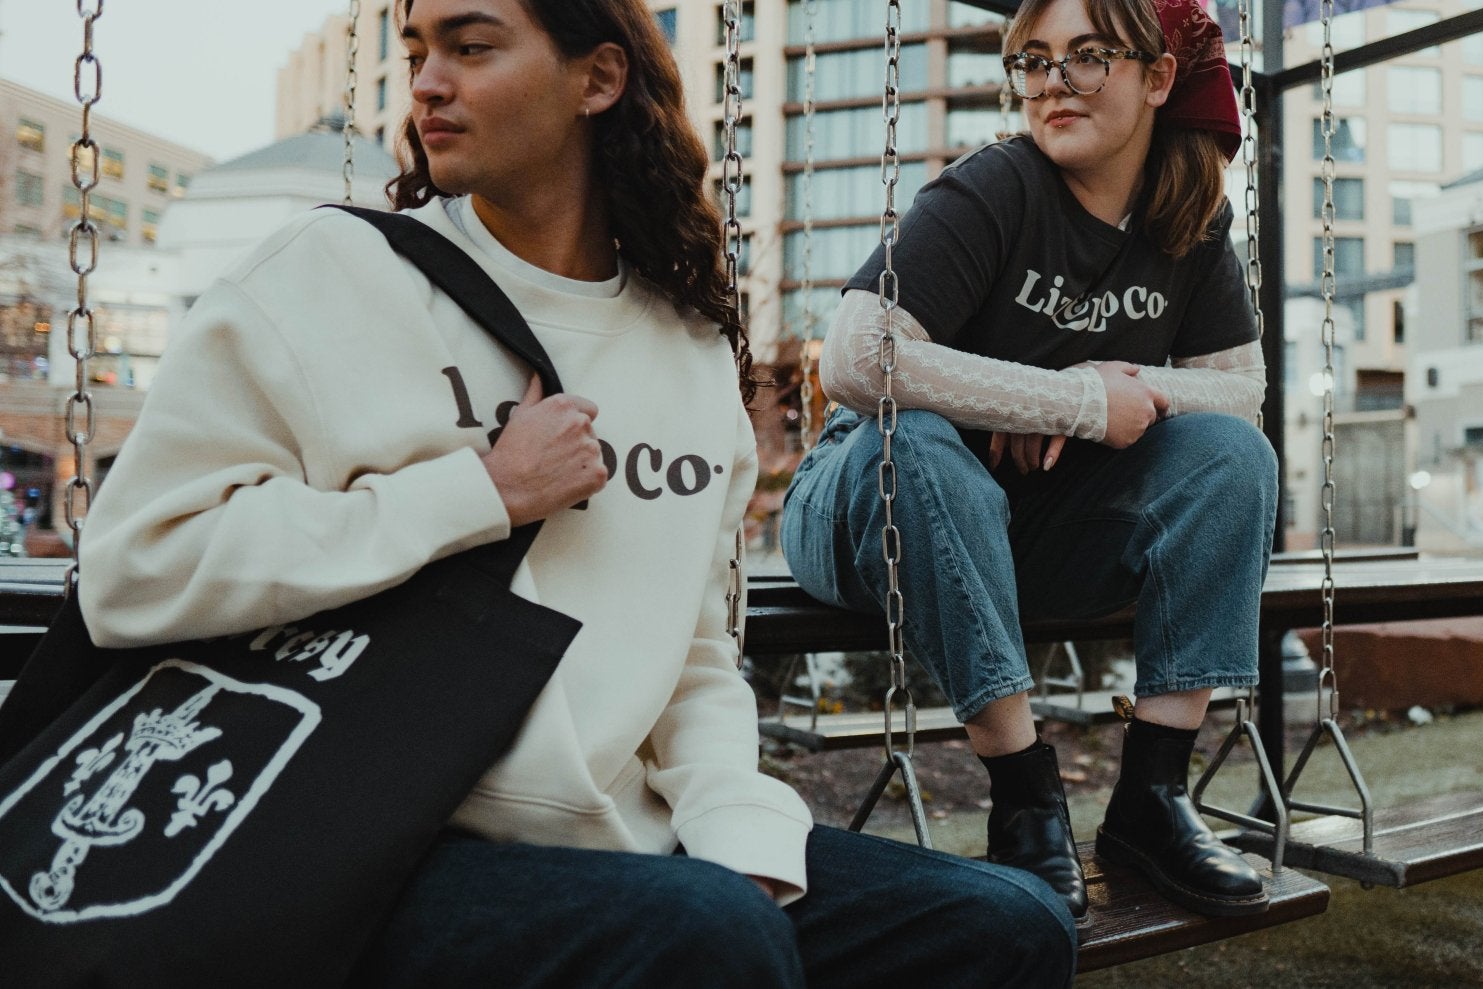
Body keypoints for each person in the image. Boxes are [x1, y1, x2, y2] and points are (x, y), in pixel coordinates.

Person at [75, 0, 1074, 985]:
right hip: (370, 843)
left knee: (1008, 925)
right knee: (709, 936)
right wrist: (480, 490)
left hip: (623, 841)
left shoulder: (686, 350)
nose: (427, 83)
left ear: (597, 78)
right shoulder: (332, 273)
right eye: (418, 52)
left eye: (471, 46)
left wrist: (740, 835)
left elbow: (693, 658)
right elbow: (134, 566)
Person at [781, 0, 1276, 921]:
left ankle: (1153, 798)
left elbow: (1241, 389)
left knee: (1232, 456)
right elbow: (853, 358)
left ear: (1157, 78)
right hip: (865, 499)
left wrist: (1111, 387)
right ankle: (1024, 799)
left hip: (1018, 521)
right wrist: (1069, 399)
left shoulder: (1190, 221)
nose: (1053, 84)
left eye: (1087, 56)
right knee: (916, 440)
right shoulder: (995, 187)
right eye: (1035, 60)